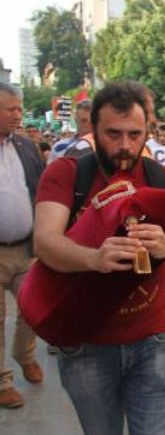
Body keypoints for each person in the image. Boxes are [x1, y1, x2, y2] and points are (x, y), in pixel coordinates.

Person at [32, 81, 165, 434]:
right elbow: (45, 242)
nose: (125, 145)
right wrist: (94, 258)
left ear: (147, 131)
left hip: (153, 343)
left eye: (135, 133)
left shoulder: (164, 177)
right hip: (86, 344)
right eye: (113, 134)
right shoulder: (66, 173)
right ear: (93, 130)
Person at [0, 82, 45, 409]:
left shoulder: (27, 147)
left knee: (34, 308)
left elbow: (43, 192)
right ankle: (2, 381)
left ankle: (24, 354)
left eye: (20, 108)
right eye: (10, 109)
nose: (18, 115)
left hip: (27, 250)